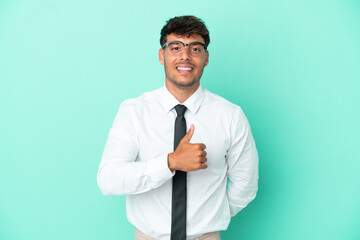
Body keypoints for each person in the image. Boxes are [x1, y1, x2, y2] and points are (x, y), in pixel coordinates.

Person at [97, 15, 259, 240]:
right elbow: (109, 179)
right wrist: (170, 162)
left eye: (195, 49)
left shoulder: (230, 116)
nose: (185, 55)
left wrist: (210, 219)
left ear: (206, 57)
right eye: (175, 47)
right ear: (161, 55)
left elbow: (246, 185)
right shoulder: (134, 111)